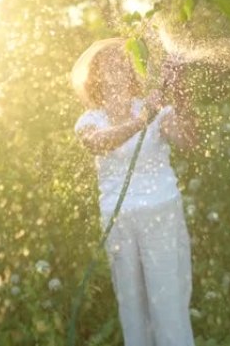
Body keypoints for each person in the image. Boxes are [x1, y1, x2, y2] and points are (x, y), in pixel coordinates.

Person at [70, 37, 198, 346]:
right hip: (120, 224)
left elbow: (190, 141)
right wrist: (140, 122)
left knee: (168, 305)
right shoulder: (91, 120)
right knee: (132, 309)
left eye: (125, 60)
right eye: (111, 62)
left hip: (161, 214)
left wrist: (179, 89)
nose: (121, 63)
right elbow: (98, 142)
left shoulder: (155, 109)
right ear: (97, 75)